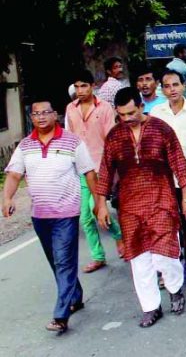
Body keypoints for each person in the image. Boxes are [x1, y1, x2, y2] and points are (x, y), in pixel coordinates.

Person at [96, 87, 186, 327]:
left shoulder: (161, 129)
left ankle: (174, 289)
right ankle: (151, 307)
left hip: (161, 199)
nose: (127, 119)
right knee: (139, 258)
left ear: (141, 106)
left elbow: (179, 164)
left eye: (131, 113)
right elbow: (106, 171)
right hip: (129, 205)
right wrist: (100, 204)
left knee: (165, 254)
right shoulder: (115, 135)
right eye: (122, 115)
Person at [3, 98, 97, 334]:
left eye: (46, 112)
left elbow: (88, 172)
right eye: (36, 114)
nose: (41, 117)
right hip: (39, 215)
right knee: (56, 261)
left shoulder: (72, 142)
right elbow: (14, 175)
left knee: (64, 260)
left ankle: (61, 315)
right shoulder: (25, 145)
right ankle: (75, 296)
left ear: (55, 115)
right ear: (31, 118)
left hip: (66, 213)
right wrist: (7, 198)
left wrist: (98, 202)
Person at [150, 70, 186, 285]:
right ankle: (167, 272)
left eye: (176, 84)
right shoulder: (156, 113)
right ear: (162, 89)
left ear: (184, 86)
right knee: (167, 227)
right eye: (167, 86)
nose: (172, 89)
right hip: (164, 180)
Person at [64, 70, 124, 274]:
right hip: (81, 168)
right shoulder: (70, 109)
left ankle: (118, 237)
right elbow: (71, 139)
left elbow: (110, 137)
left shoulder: (105, 107)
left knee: (95, 208)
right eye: (77, 86)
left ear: (92, 86)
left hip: (101, 167)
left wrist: (114, 169)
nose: (80, 91)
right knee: (86, 217)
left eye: (84, 86)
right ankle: (99, 255)